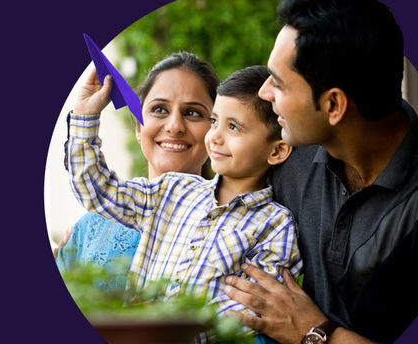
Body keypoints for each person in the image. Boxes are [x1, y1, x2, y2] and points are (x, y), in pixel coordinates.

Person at [222, 0, 418, 344]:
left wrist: (315, 334)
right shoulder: (289, 155)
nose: (265, 93)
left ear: (333, 105)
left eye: (280, 84)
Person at [66, 65, 303, 342]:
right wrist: (85, 115)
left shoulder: (276, 225)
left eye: (233, 127)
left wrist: (169, 323)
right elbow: (98, 190)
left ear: (276, 150)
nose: (215, 136)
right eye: (215, 121)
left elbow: (255, 308)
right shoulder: (173, 190)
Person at [54, 52, 220, 290]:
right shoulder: (86, 230)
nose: (174, 126)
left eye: (192, 112)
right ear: (139, 129)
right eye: (159, 109)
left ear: (215, 131)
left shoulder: (234, 224)